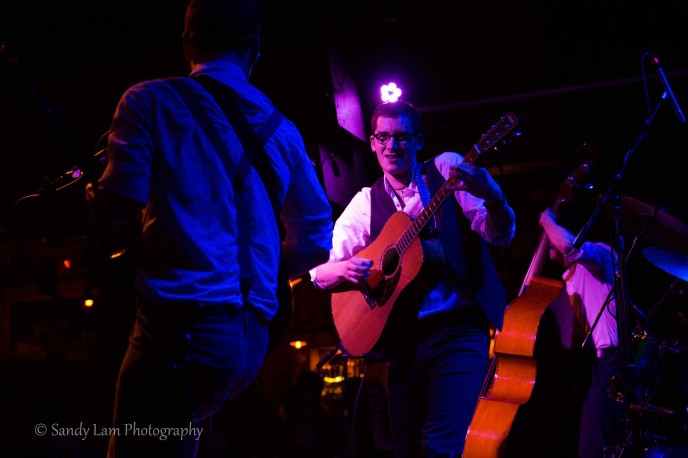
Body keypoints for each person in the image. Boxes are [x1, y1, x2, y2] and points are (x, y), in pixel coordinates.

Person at [91, 0, 333, 456]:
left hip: (177, 330)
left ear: (187, 42)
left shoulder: (149, 101)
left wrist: (98, 201)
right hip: (251, 340)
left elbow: (117, 212)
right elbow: (317, 237)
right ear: (254, 49)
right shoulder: (282, 129)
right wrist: (261, 275)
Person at [311, 100, 516, 457]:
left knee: (439, 447)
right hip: (402, 344)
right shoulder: (365, 203)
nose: (392, 146)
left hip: (458, 332)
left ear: (419, 141)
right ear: (372, 143)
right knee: (405, 450)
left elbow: (498, 235)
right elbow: (319, 272)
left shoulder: (446, 170)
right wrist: (344, 269)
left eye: (402, 137)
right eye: (383, 137)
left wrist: (496, 199)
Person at [539, 207, 623, 457]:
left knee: (593, 446)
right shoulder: (569, 278)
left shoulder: (600, 255)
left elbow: (569, 246)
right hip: (595, 366)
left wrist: (546, 220)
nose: (550, 255)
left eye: (551, 246)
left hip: (614, 361)